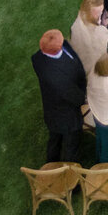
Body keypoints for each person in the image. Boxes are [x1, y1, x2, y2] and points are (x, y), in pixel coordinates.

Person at [31, 30, 87, 163]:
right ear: (57, 48)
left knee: (55, 138)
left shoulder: (37, 58)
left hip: (52, 110)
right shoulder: (57, 79)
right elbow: (76, 98)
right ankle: (69, 173)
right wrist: (83, 97)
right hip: (68, 117)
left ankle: (51, 161)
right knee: (71, 147)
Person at [68, 0, 108, 75]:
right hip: (92, 69)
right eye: (98, 14)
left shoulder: (77, 22)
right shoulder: (100, 32)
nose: (100, 17)